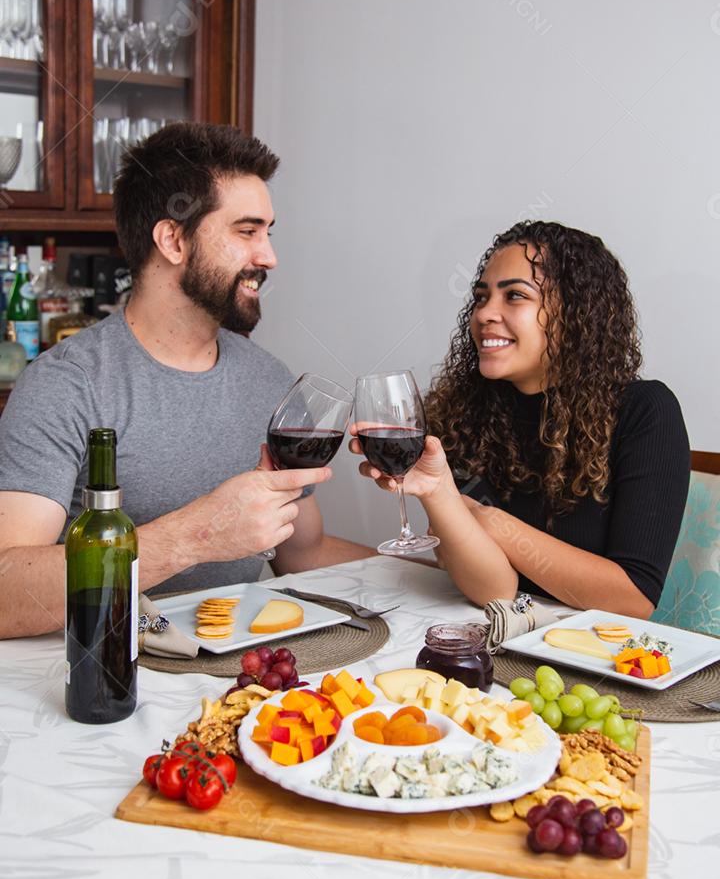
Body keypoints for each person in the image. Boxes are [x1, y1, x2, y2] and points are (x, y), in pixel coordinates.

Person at [0, 123, 372, 640]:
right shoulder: (67, 384)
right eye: (247, 232)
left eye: (268, 232)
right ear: (172, 239)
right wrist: (197, 535)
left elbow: (303, 552)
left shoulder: (269, 379)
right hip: (102, 684)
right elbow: (5, 590)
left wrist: (438, 572)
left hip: (240, 682)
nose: (268, 257)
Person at [351, 220, 690, 617]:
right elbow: (494, 590)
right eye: (481, 297)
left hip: (597, 656)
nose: (484, 315)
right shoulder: (463, 413)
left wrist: (493, 524)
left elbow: (632, 599)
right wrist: (439, 493)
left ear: (575, 313)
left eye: (514, 296)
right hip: (502, 641)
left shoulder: (646, 411)